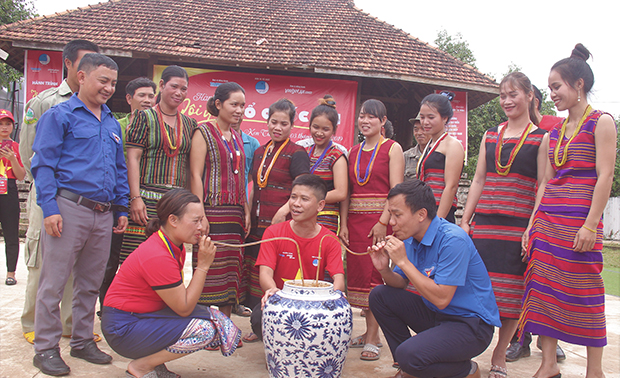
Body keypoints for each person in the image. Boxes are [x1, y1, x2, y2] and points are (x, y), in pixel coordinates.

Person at [519, 44, 616, 378]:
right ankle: (547, 364)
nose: (552, 94)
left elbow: (605, 175)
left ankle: (595, 370)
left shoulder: (601, 123)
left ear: (578, 85)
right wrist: (532, 225)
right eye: (549, 88)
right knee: (544, 291)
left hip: (580, 222)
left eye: (556, 86)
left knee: (586, 291)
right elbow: (545, 183)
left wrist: (591, 225)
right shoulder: (553, 133)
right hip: (548, 223)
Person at [30, 53, 129, 376]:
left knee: (90, 282)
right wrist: (50, 208)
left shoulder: (112, 122)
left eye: (113, 83)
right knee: (54, 283)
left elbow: (118, 169)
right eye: (103, 80)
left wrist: (122, 207)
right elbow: (42, 164)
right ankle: (45, 348)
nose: (109, 88)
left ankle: (82, 340)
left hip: (102, 214)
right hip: (68, 208)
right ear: (82, 77)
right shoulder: (61, 116)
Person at [459, 72, 547, 378]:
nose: (507, 101)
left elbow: (542, 186)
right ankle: (465, 347)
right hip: (485, 225)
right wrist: (466, 220)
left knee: (511, 294)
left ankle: (500, 354)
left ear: (529, 96)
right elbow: (479, 180)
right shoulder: (490, 135)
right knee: (476, 289)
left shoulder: (541, 137)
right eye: (503, 95)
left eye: (513, 95)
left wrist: (531, 228)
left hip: (517, 227)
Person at [102, 189, 241, 378]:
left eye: (202, 220)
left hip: (139, 317)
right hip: (123, 328)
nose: (201, 227)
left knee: (215, 318)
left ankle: (155, 364)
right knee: (206, 330)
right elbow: (183, 307)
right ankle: (142, 366)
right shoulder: (157, 254)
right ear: (173, 220)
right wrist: (203, 266)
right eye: (196, 221)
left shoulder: (173, 245)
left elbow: (177, 301)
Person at [369, 179, 501, 378]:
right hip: (437, 316)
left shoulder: (452, 240)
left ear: (421, 214)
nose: (391, 222)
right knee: (379, 295)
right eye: (390, 215)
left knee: (409, 354)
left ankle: (467, 371)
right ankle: (408, 368)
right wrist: (385, 270)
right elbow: (401, 282)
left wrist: (403, 261)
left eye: (397, 215)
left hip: (470, 325)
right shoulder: (412, 238)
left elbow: (441, 298)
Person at [19, 39, 100, 344]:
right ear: (69, 64)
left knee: (76, 262)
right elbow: (30, 154)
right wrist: (49, 196)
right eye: (84, 63)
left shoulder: (97, 109)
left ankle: (69, 323)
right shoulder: (45, 102)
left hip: (81, 203)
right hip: (48, 196)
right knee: (43, 260)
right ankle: (34, 322)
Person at [339, 99, 404, 361]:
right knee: (358, 278)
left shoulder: (392, 148)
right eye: (362, 116)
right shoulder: (352, 152)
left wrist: (383, 220)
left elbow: (396, 189)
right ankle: (368, 333)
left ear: (383, 121)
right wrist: (343, 224)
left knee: (376, 277)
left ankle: (374, 338)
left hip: (380, 221)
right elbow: (347, 193)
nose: (365, 121)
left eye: (372, 117)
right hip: (355, 222)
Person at [242, 98, 310, 342]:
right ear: (267, 122)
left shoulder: (297, 153)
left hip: (282, 224)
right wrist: (249, 213)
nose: (277, 128)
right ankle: (259, 323)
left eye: (283, 123)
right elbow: (254, 185)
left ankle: (280, 325)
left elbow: (303, 188)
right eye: (273, 122)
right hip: (259, 223)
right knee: (259, 271)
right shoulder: (260, 151)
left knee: (278, 270)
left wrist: (283, 211)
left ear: (292, 126)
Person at [250, 174, 345, 340]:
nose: (296, 204)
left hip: (314, 306)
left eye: (304, 199)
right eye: (293, 197)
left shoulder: (329, 239)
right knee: (259, 318)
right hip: (281, 302)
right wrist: (273, 292)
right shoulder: (274, 232)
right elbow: (265, 273)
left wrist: (335, 298)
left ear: (320, 205)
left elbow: (338, 279)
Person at [121, 65, 198, 263]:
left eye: (184, 89)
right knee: (139, 259)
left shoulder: (190, 124)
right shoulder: (143, 118)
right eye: (174, 86)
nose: (179, 93)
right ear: (162, 85)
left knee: (169, 260)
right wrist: (135, 197)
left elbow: (191, 167)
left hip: (176, 205)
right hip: (146, 201)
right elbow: (133, 158)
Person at [189, 82, 250, 319]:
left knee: (231, 268)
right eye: (234, 104)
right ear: (218, 104)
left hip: (234, 213)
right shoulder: (202, 132)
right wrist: (199, 214)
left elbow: (242, 176)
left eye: (242, 106)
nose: (239, 110)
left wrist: (244, 208)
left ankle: (225, 326)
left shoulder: (237, 136)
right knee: (209, 265)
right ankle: (205, 324)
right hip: (212, 211)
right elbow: (195, 174)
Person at [98, 77, 157, 313]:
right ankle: (106, 306)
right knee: (112, 257)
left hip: (148, 200)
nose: (146, 100)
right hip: (117, 198)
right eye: (141, 95)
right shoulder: (116, 125)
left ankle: (136, 305)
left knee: (141, 257)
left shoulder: (157, 126)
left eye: (151, 96)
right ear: (129, 99)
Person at [416, 92, 464, 223]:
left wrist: (438, 221)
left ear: (444, 118)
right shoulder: (429, 145)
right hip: (424, 210)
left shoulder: (453, 145)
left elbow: (451, 186)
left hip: (440, 213)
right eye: (422, 117)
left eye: (431, 117)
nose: (425, 122)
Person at [304, 94, 348, 234]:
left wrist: (311, 200)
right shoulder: (304, 152)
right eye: (315, 127)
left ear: (334, 130)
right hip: (303, 217)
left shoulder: (336, 156)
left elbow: (341, 193)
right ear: (309, 125)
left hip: (325, 220)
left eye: (325, 129)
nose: (319, 133)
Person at [0, 109, 25, 285]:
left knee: (11, 232)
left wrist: (13, 159)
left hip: (8, 188)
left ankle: (11, 273)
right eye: (1, 124)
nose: (4, 127)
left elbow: (21, 175)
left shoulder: (16, 146)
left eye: (8, 124)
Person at [403, 114, 428, 181]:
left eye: (423, 129)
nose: (419, 133)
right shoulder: (405, 156)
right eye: (416, 129)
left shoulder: (441, 155)